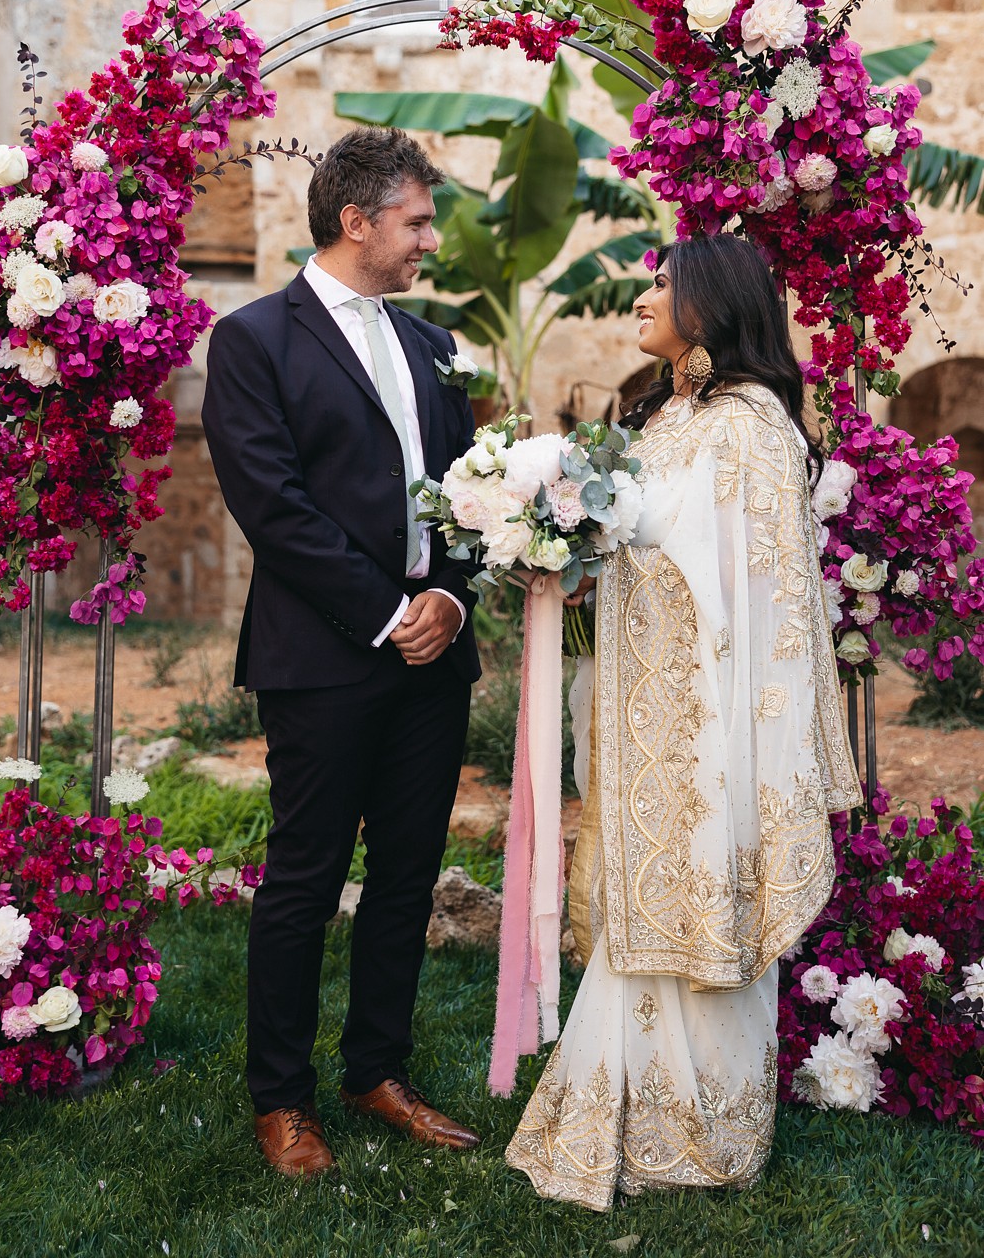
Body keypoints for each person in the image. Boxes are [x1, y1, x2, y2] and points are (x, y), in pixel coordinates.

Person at [505, 234, 861, 1209]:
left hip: (709, 726)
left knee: (700, 900)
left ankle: (704, 1131)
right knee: (639, 903)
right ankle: (621, 1107)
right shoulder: (666, 415)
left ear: (710, 302)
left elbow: (757, 596)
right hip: (641, 713)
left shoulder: (748, 426)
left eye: (660, 284)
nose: (642, 297)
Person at [201, 127, 483, 1178]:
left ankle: (377, 1070)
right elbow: (272, 505)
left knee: (407, 876)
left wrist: (448, 598)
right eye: (417, 221)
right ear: (356, 220)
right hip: (322, 654)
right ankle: (281, 1098)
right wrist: (384, 613)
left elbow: (472, 493)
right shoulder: (252, 340)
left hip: (434, 655)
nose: (430, 239)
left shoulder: (434, 345)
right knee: (304, 882)